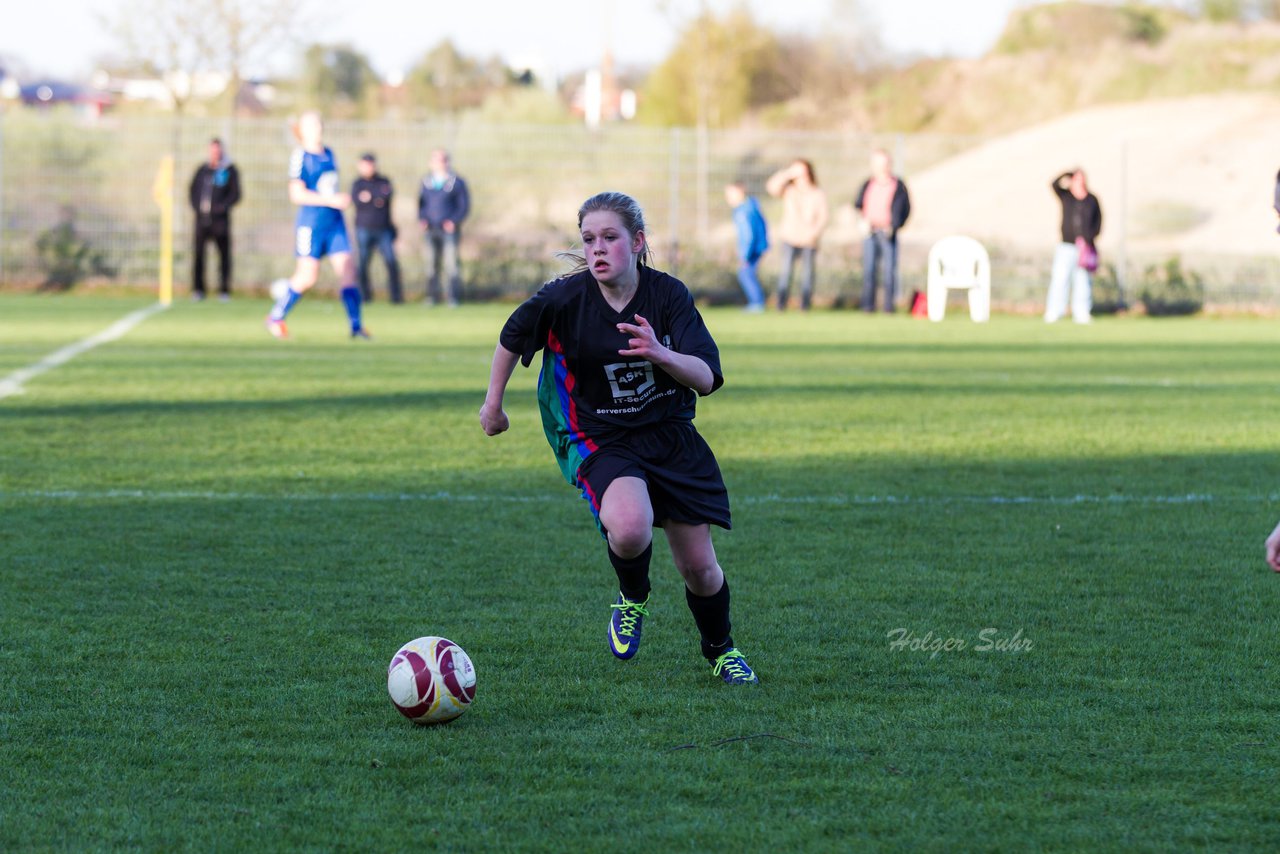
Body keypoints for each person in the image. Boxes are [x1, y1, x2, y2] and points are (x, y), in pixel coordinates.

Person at [478, 191, 759, 685]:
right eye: (589, 239)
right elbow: (513, 334)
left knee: (700, 568)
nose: (597, 249)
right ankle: (632, 596)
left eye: (610, 237)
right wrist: (492, 403)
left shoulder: (668, 296)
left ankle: (720, 651)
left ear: (638, 242)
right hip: (599, 435)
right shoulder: (565, 298)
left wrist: (660, 353)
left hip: (670, 434)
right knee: (628, 527)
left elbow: (708, 378)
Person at [266, 111, 369, 340]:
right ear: (302, 130)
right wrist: (330, 200)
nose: (317, 128)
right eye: (311, 125)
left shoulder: (329, 153)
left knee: (348, 271)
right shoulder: (300, 156)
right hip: (311, 224)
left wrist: (338, 200)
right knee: (307, 277)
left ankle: (356, 326)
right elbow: (297, 194)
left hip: (335, 223)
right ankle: (275, 317)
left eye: (319, 123)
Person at [765, 159, 828, 311]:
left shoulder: (817, 193)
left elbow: (823, 216)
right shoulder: (789, 190)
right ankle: (781, 304)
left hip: (809, 240)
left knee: (807, 275)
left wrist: (814, 234)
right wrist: (787, 173)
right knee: (786, 273)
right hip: (790, 237)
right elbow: (771, 187)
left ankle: (805, 305)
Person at [854, 149, 911, 313]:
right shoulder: (868, 184)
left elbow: (905, 209)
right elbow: (858, 204)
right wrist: (862, 221)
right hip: (870, 232)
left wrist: (894, 226)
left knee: (889, 271)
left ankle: (888, 307)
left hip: (887, 233)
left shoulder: (898, 185)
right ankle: (867, 306)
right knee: (869, 270)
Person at [1045, 168, 1103, 324]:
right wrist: (1067, 173)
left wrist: (1088, 239)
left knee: (1083, 280)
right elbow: (1054, 184)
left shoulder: (1091, 199)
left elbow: (1098, 223)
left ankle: (1082, 312)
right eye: (1076, 179)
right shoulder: (1067, 197)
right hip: (1066, 246)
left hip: (1084, 248)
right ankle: (1055, 311)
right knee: (1060, 278)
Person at [188, 138, 241, 301]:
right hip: (201, 220)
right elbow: (192, 190)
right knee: (199, 255)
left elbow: (236, 194)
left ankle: (224, 290)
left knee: (224, 256)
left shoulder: (229, 170)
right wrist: (198, 208)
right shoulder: (202, 170)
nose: (215, 153)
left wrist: (221, 208)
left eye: (217, 150)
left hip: (220, 221)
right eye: (212, 150)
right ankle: (198, 290)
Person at [417, 149, 470, 306]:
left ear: (447, 162)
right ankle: (432, 297)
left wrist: (454, 221)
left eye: (442, 160)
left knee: (451, 265)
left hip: (449, 230)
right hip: (430, 229)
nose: (439, 163)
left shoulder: (457, 182)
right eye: (436, 160)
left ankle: (453, 298)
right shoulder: (426, 182)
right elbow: (421, 204)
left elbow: (464, 206)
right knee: (431, 265)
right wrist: (422, 219)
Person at [351, 152, 404, 304]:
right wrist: (376, 198)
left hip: (384, 229)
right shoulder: (357, 184)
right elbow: (357, 200)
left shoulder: (383, 180)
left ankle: (396, 297)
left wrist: (370, 197)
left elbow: (386, 196)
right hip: (363, 229)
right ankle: (365, 296)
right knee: (362, 264)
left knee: (391, 262)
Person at [724, 181, 768, 312]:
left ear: (740, 193)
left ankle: (757, 303)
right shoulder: (751, 207)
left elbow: (748, 235)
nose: (728, 198)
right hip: (757, 247)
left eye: (730, 194)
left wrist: (745, 254)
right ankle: (757, 302)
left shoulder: (743, 212)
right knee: (747, 274)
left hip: (752, 249)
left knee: (745, 274)